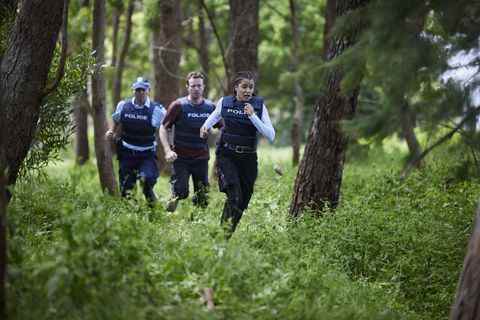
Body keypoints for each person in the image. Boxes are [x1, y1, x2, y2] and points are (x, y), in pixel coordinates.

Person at [200, 71, 275, 237]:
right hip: (227, 155)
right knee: (234, 195)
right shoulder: (224, 102)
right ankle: (221, 238)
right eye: (244, 87)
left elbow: (271, 135)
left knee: (243, 200)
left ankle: (225, 236)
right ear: (236, 88)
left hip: (248, 159)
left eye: (251, 87)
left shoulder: (258, 106)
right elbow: (210, 121)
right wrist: (204, 129)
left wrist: (253, 116)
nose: (248, 90)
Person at [159, 71, 220, 212]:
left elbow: (221, 128)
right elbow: (163, 128)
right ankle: (169, 207)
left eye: (199, 86)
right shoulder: (178, 105)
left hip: (201, 158)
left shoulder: (210, 107)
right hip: (181, 158)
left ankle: (196, 222)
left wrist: (213, 132)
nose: (196, 89)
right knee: (181, 192)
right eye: (193, 86)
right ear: (187, 86)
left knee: (202, 196)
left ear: (203, 87)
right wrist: (168, 150)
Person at [106, 77, 166, 204]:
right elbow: (116, 119)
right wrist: (111, 131)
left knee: (147, 179)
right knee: (126, 190)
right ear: (133, 90)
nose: (140, 93)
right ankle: (131, 214)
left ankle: (153, 206)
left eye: (143, 90)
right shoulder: (123, 106)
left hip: (147, 154)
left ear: (148, 90)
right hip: (127, 153)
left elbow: (168, 126)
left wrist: (169, 146)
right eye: (138, 90)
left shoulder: (157, 110)